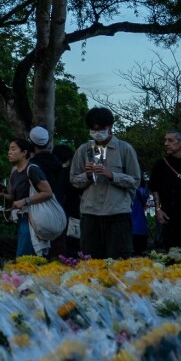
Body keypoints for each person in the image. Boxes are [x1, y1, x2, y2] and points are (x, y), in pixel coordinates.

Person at [70, 108, 142, 260]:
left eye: (101, 129)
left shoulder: (124, 148)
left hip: (117, 213)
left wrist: (112, 175)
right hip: (90, 213)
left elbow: (135, 180)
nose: (97, 132)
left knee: (119, 260)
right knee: (91, 261)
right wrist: (87, 175)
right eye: (93, 129)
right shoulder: (84, 149)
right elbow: (74, 180)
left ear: (110, 127)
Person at [6, 138, 57, 257]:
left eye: (13, 149)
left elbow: (47, 192)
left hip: (32, 218)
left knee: (24, 257)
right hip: (21, 218)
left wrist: (25, 201)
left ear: (24, 152)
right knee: (24, 257)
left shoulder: (32, 169)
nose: (9, 152)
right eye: (9, 149)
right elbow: (14, 197)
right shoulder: (15, 173)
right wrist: (2, 195)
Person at [149, 129, 181, 252]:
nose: (166, 144)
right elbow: (155, 188)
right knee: (171, 251)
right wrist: (158, 209)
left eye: (170, 140)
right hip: (169, 214)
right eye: (165, 140)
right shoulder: (161, 164)